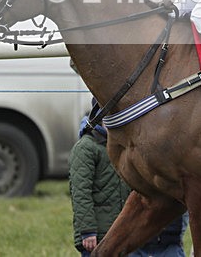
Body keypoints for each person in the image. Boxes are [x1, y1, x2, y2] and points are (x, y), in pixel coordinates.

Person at [69, 107, 187, 256]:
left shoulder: (125, 147)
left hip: (121, 234)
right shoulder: (86, 149)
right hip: (97, 235)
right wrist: (87, 231)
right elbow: (80, 193)